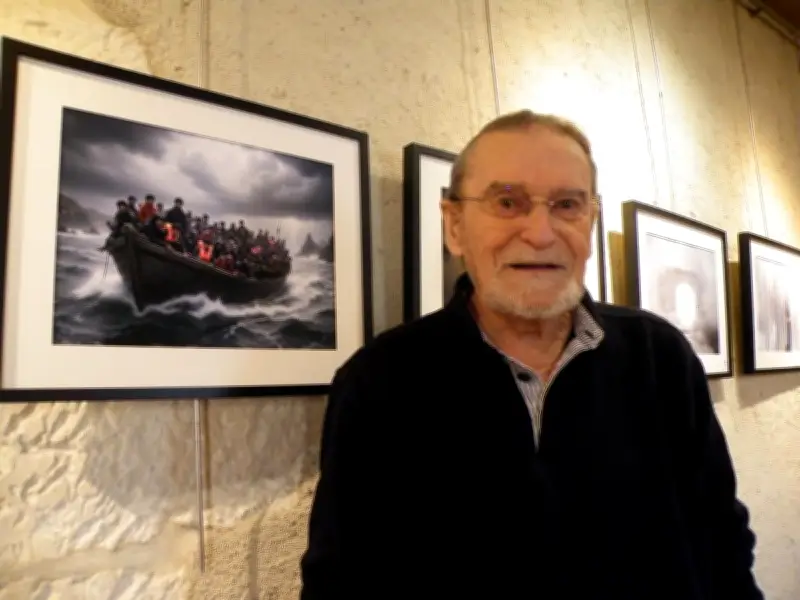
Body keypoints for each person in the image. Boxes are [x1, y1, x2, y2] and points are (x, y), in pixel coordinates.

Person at [299, 110, 763, 600]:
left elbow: (722, 542)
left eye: (567, 204)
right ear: (454, 226)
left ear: (590, 222)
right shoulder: (381, 381)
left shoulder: (660, 357)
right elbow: (340, 581)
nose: (541, 233)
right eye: (507, 202)